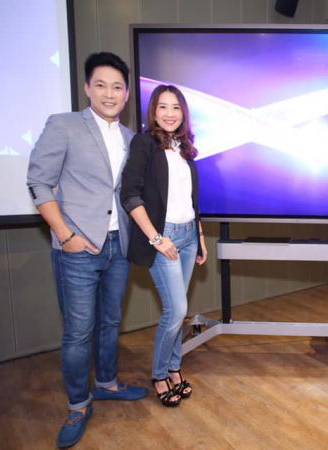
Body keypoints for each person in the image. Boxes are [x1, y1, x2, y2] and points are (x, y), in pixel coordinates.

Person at [27, 52, 148, 448]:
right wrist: (65, 236)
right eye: (100, 85)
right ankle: (78, 404)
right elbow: (39, 183)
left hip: (118, 246)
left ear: (126, 94)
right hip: (77, 248)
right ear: (86, 88)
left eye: (117, 87)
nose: (109, 94)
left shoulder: (131, 138)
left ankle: (107, 384)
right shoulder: (63, 125)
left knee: (110, 322)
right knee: (78, 332)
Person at [120, 85, 207, 407]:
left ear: (183, 113)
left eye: (176, 107)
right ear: (153, 112)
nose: (170, 114)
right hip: (163, 238)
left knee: (177, 309)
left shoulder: (185, 149)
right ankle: (159, 375)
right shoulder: (144, 143)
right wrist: (156, 238)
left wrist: (199, 236)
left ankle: (174, 368)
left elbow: (191, 200)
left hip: (188, 236)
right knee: (176, 310)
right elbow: (129, 194)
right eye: (163, 107)